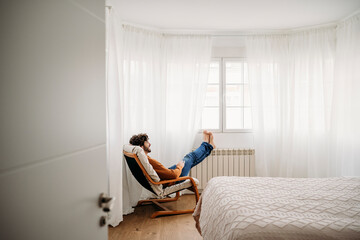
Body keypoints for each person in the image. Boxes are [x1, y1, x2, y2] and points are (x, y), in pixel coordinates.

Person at [129, 131, 216, 180]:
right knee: (190, 157)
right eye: (147, 142)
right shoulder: (148, 161)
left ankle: (209, 146)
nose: (150, 144)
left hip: (167, 175)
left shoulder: (141, 158)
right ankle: (206, 143)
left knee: (191, 159)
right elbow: (173, 176)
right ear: (141, 147)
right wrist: (179, 167)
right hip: (172, 179)